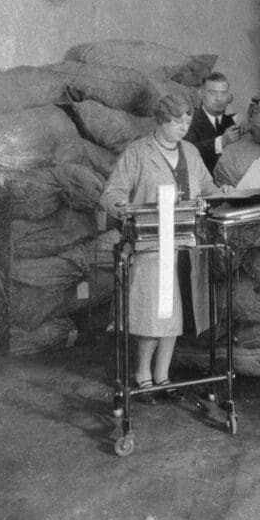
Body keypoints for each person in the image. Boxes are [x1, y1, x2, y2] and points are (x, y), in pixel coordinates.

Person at [100, 93, 223, 405]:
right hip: (152, 246)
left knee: (175, 316)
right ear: (161, 121)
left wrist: (223, 194)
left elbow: (208, 188)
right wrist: (125, 209)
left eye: (187, 121)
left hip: (185, 243)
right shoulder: (138, 152)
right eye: (176, 121)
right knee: (154, 316)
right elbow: (111, 193)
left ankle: (163, 376)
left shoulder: (191, 152)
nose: (183, 127)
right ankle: (142, 376)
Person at [184, 72, 244, 173]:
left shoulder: (232, 122)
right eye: (212, 93)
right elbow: (187, 154)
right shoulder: (188, 122)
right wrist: (221, 142)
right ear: (202, 94)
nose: (218, 98)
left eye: (223, 93)